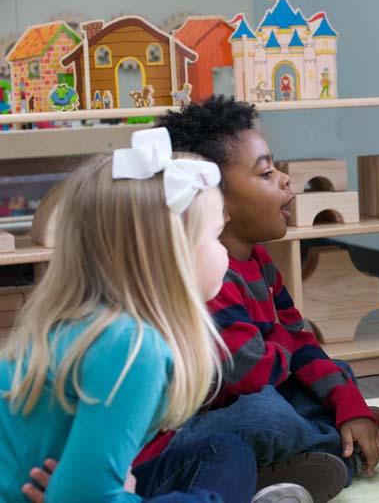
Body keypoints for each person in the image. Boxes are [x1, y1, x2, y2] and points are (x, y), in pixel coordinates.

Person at [2, 128, 312, 502]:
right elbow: (84, 495)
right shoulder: (133, 347)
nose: (224, 253)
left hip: (75, 487)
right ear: (172, 255)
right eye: (215, 236)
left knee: (225, 452)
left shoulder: (98, 325)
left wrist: (114, 488)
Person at [133, 96, 379, 503]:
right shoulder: (203, 277)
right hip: (180, 438)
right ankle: (338, 445)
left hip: (240, 399)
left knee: (330, 375)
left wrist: (348, 402)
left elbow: (299, 342)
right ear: (215, 200)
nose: (286, 180)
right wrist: (286, 342)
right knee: (268, 415)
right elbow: (252, 373)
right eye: (266, 172)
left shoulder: (259, 260)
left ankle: (328, 445)